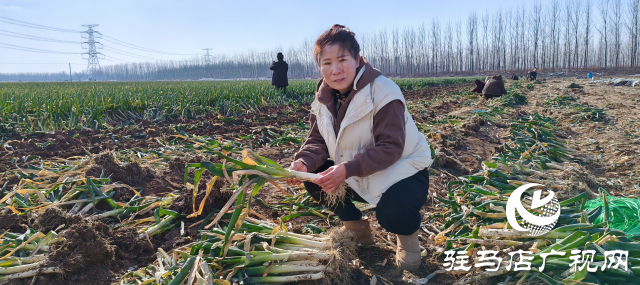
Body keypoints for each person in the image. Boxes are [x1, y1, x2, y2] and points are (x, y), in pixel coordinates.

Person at [287, 24, 432, 272]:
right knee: (313, 179)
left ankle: (407, 241)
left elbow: (391, 147)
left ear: (357, 59)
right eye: (327, 63)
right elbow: (317, 140)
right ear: (320, 66)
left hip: (403, 171)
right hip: (356, 171)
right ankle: (358, 229)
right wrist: (304, 163)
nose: (336, 70)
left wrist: (347, 169)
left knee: (393, 212)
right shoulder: (323, 98)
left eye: (342, 59)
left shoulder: (383, 91)